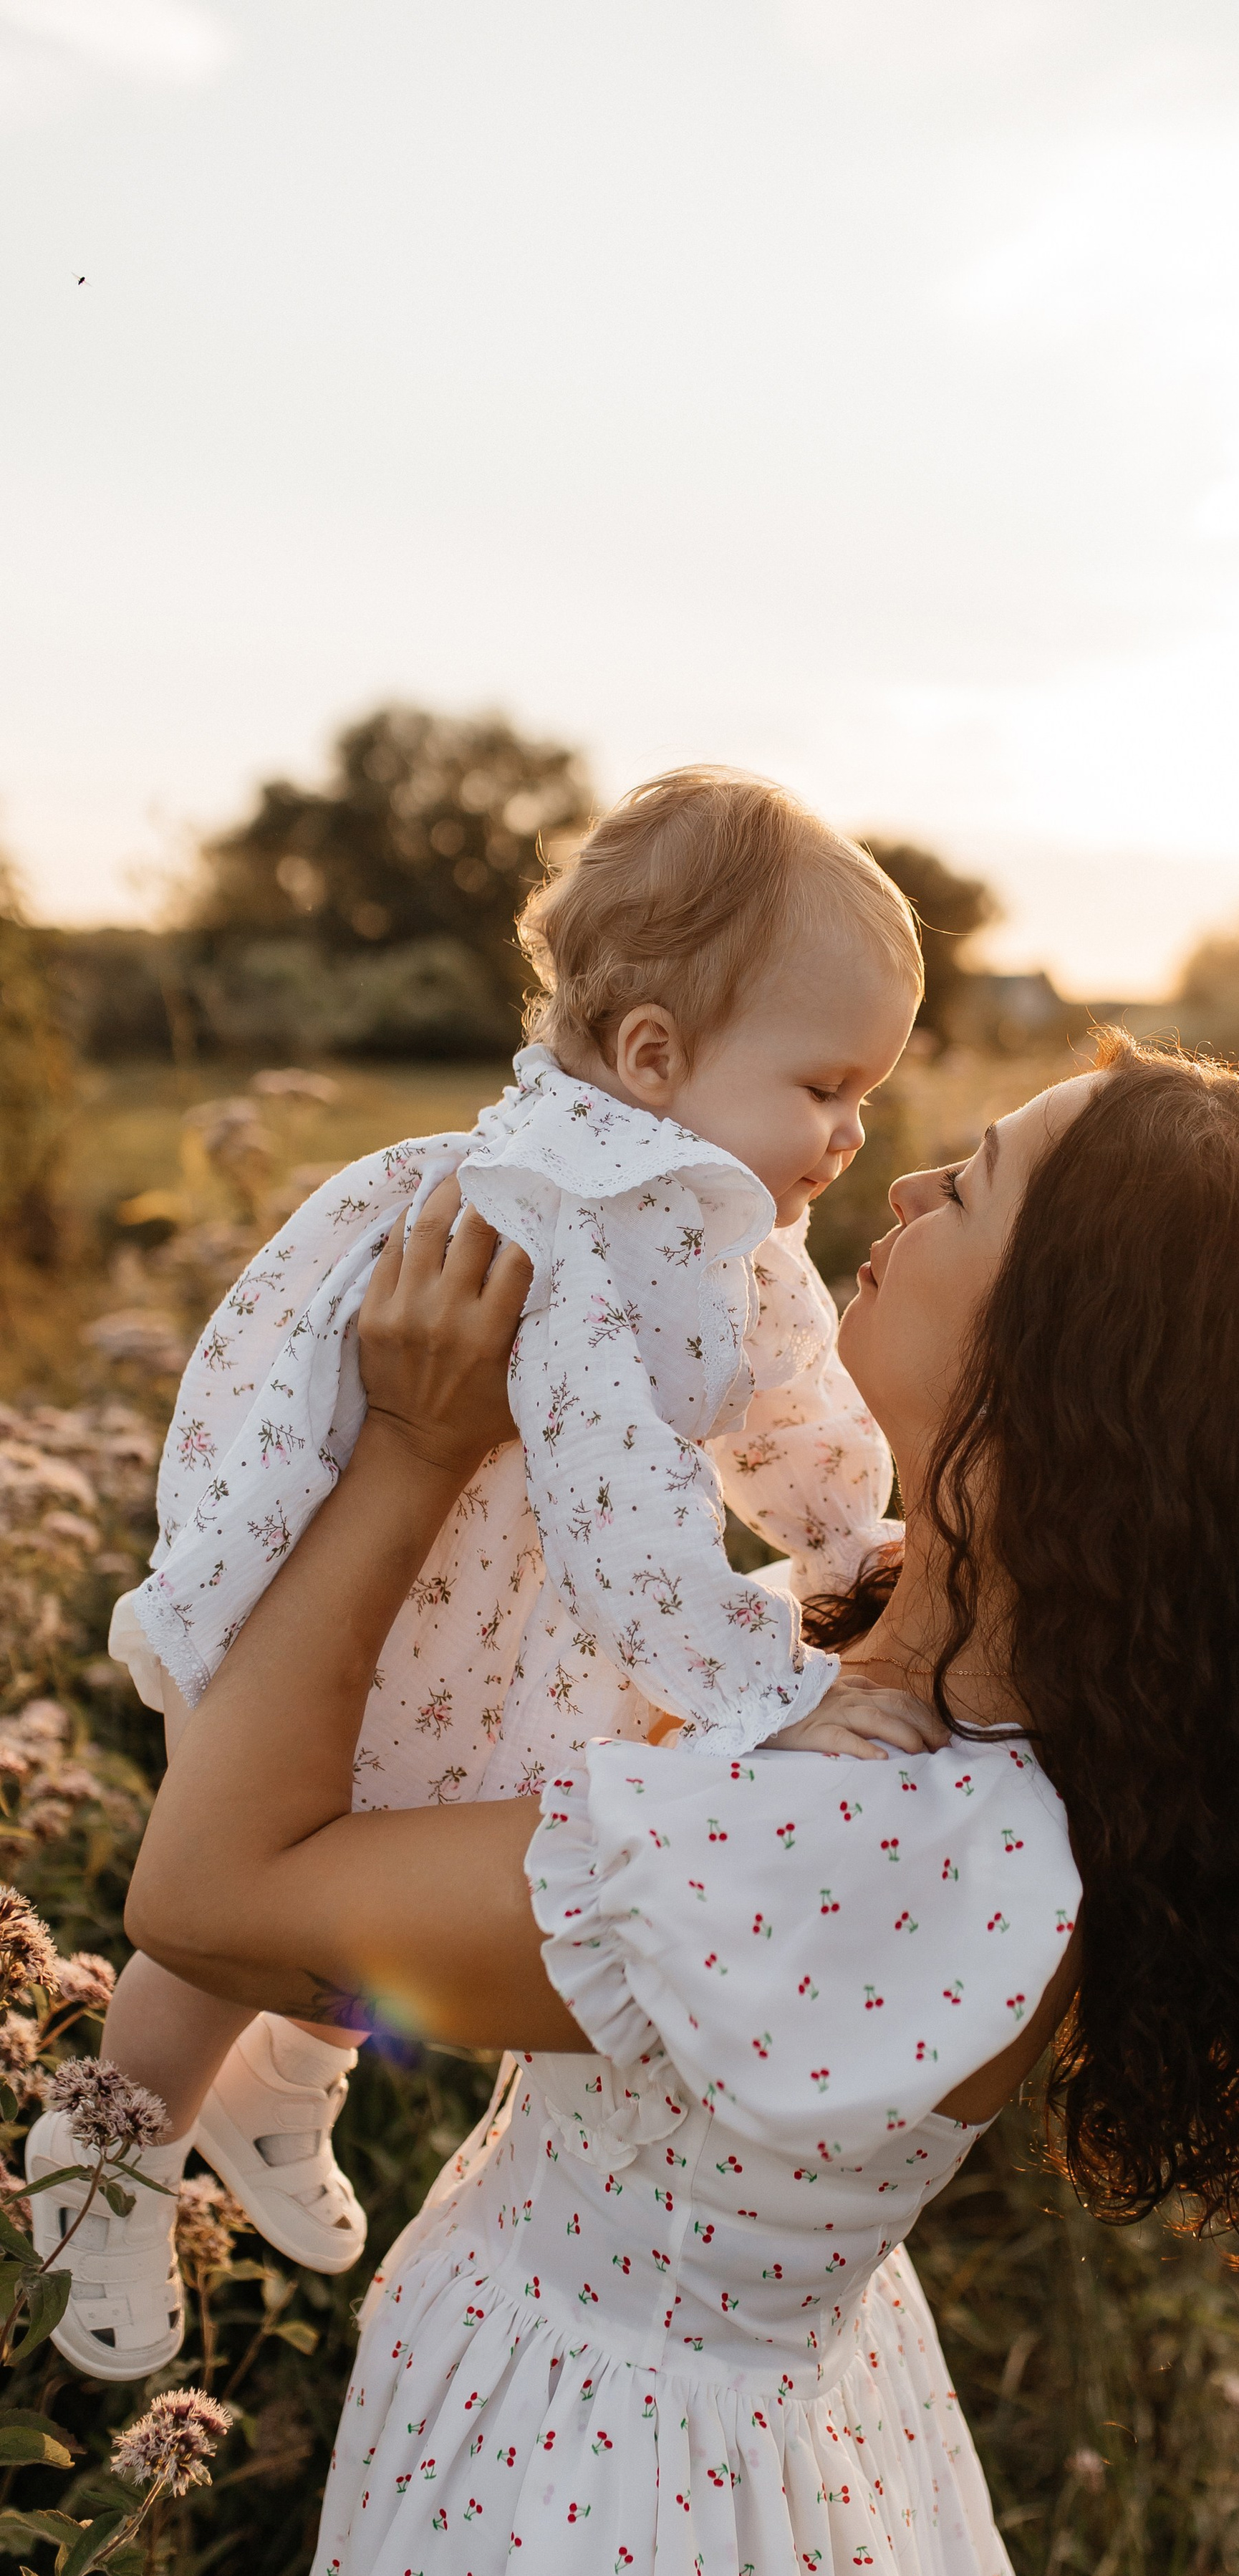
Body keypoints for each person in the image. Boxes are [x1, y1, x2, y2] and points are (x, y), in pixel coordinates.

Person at [127, 1035, 1239, 2576]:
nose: (904, 1185)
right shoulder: (876, 1661)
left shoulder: (868, 1833)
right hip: (674, 2438)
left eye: (970, 1185)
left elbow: (210, 1891)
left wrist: (401, 1449)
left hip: (605, 2542)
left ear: (1061, 1364)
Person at [34, 769, 929, 2380]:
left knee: (408, 1840)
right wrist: (756, 1691)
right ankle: (107, 2145)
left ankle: (285, 2081)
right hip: (361, 1590)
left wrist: (847, 1539)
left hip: (481, 1615)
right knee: (270, 1861)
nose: (854, 1133)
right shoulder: (555, 1211)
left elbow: (791, 1392)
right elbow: (618, 1499)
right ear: (654, 1054)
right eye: (827, 1085)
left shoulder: (721, 1214)